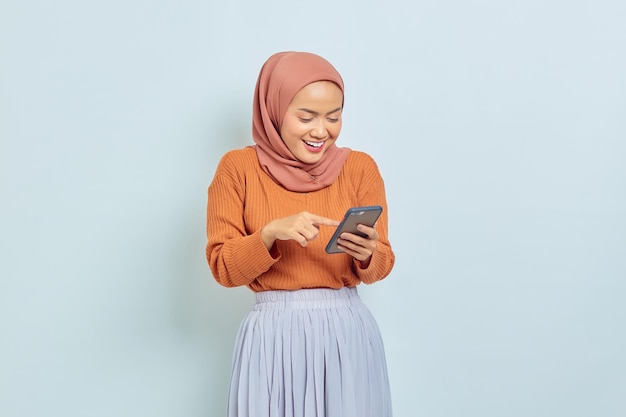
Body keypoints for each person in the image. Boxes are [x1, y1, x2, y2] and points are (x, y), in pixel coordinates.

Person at [206, 51, 395, 417]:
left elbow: (382, 264)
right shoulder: (238, 169)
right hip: (272, 336)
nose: (321, 131)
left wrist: (368, 253)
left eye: (333, 117)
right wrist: (269, 234)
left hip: (346, 335)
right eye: (306, 117)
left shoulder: (359, 168)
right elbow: (222, 268)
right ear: (273, 111)